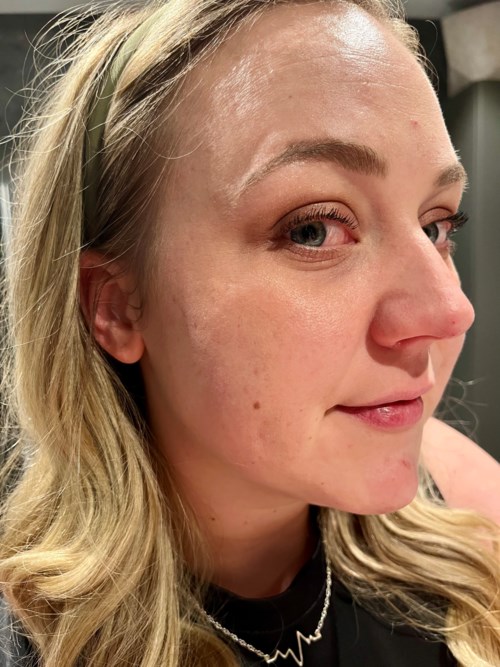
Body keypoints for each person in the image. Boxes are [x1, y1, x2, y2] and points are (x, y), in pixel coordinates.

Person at [0, 0, 499, 665]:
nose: (450, 310)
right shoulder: (34, 644)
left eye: (437, 225)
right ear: (117, 308)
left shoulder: (469, 535)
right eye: (313, 229)